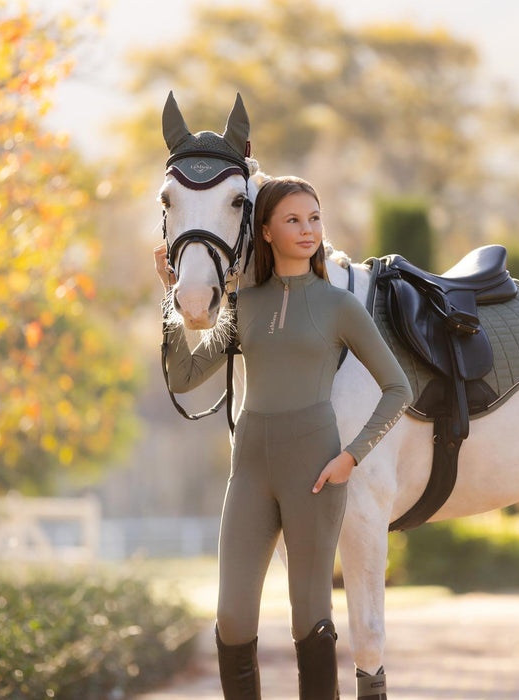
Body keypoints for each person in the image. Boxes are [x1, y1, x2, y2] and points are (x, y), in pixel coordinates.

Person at [155, 176, 412, 700]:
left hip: (315, 473)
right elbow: (183, 376)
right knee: (231, 615)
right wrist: (171, 298)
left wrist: (351, 457)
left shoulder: (340, 306)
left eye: (314, 218)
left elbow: (397, 388)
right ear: (265, 231)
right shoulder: (241, 308)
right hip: (249, 472)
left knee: (308, 615)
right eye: (293, 220)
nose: (308, 230)